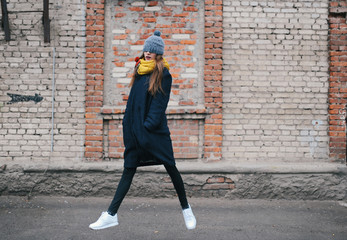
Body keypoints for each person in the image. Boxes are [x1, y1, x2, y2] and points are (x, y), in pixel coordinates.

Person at [89, 30, 197, 230]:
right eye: (146, 49)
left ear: (159, 54)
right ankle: (111, 215)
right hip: (135, 132)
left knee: (171, 168)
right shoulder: (139, 70)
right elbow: (133, 103)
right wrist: (128, 126)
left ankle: (186, 209)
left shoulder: (163, 73)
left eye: (152, 51)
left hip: (154, 133)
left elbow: (158, 106)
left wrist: (146, 127)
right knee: (128, 169)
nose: (148, 53)